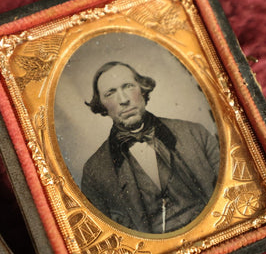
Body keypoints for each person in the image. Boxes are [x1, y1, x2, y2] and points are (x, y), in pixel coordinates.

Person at [81, 61, 220, 234]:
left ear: (142, 89)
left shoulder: (195, 134)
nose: (124, 100)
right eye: (110, 93)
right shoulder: (94, 172)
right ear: (101, 105)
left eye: (129, 86)